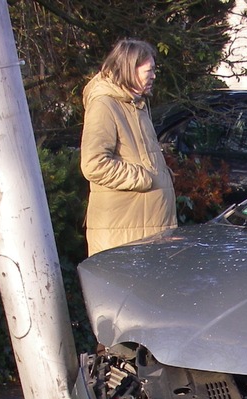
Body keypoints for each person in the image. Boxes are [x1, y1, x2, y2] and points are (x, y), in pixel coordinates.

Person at [80, 38, 177, 255]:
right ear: (129, 68)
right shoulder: (104, 105)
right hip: (124, 232)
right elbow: (94, 164)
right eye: (149, 70)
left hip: (146, 229)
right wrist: (144, 177)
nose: (154, 75)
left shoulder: (136, 104)